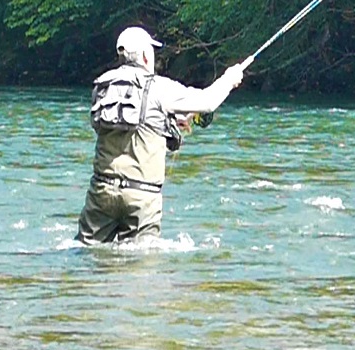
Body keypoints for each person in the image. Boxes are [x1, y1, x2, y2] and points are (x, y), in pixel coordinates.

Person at [75, 26, 246, 244]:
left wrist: (168, 121)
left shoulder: (101, 87)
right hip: (142, 197)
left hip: (102, 190)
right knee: (141, 260)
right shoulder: (160, 88)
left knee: (88, 252)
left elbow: (127, 122)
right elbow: (207, 102)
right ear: (146, 56)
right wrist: (229, 79)